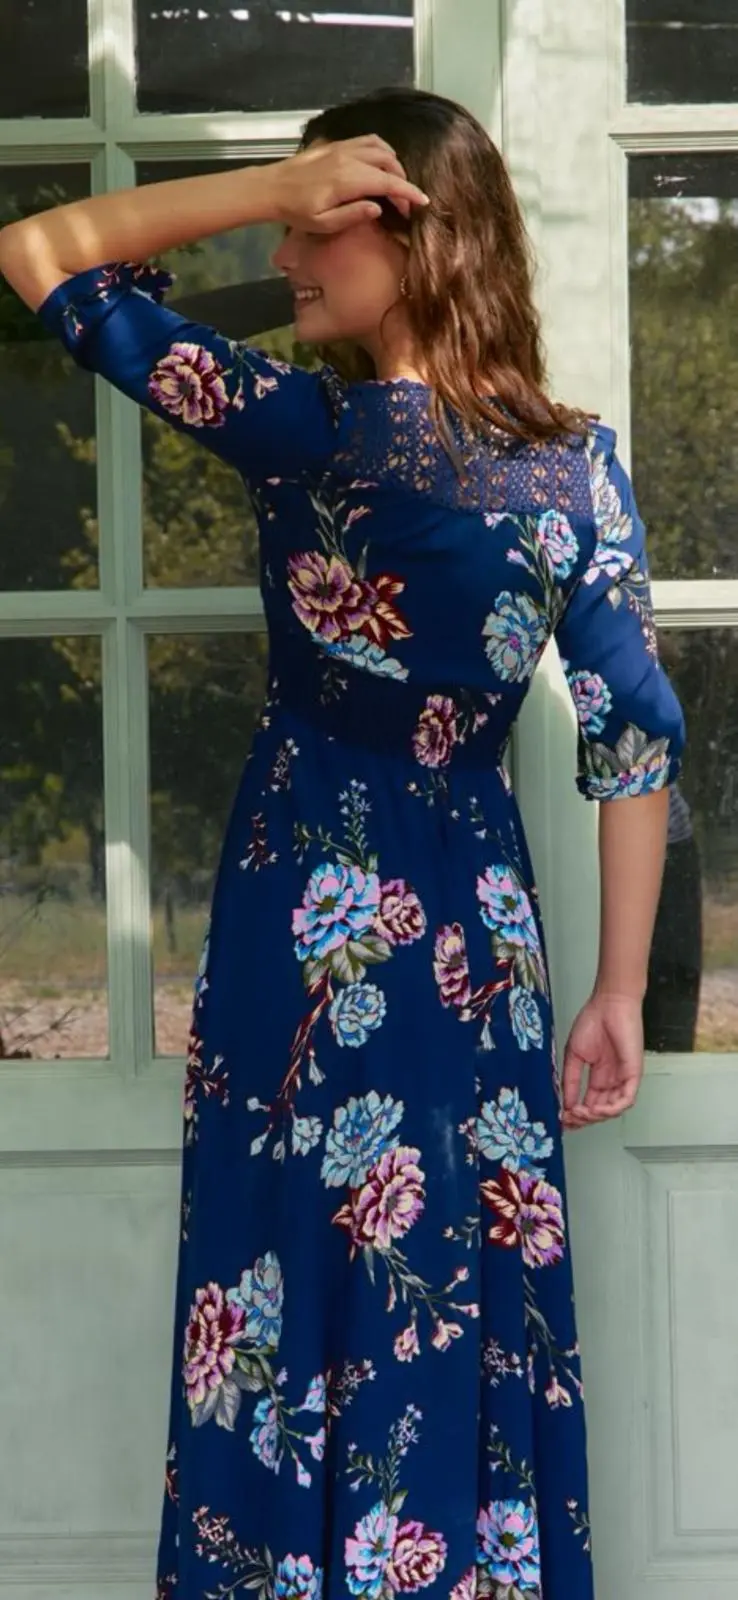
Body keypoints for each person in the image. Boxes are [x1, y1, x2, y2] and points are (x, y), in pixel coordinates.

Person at [0, 86, 685, 1600]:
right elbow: (633, 743)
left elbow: (42, 250)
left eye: (318, 224)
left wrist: (260, 181)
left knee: (292, 1269)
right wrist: (619, 990)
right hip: (476, 932)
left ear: (408, 234)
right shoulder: (576, 469)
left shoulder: (305, 432)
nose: (289, 251)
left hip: (309, 908)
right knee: (454, 1274)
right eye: (290, 220)